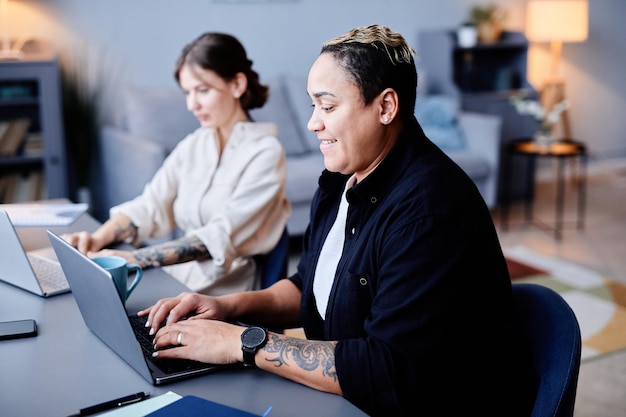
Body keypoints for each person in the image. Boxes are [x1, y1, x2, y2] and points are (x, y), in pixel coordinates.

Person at [139, 25, 534, 416]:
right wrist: (225, 308)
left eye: (327, 107)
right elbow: (308, 287)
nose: (314, 123)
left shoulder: (430, 212)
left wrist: (242, 342)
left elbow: (385, 369)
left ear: (385, 107)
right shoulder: (342, 183)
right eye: (313, 106)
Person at [63, 32, 290, 295]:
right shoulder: (194, 144)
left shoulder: (266, 153)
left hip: (222, 293)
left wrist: (137, 259)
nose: (192, 104)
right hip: (176, 279)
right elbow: (150, 205)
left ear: (237, 84)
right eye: (187, 92)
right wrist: (97, 238)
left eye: (202, 90)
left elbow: (216, 238)